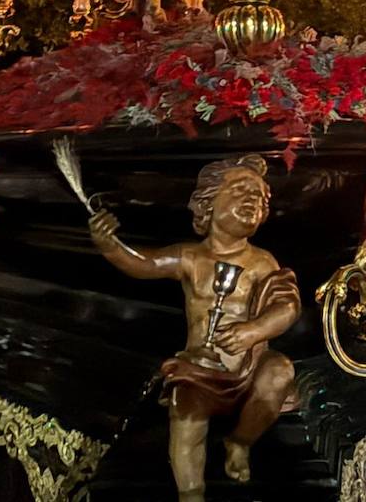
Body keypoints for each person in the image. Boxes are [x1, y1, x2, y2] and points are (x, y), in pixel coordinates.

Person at [87, 155, 299, 500]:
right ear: (208, 203)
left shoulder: (262, 262)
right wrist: (110, 246)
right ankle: (190, 492)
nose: (253, 200)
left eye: (260, 197)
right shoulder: (191, 257)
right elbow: (144, 263)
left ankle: (240, 442)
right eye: (241, 190)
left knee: (280, 373)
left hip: (248, 369)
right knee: (185, 417)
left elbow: (287, 307)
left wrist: (252, 331)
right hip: (200, 371)